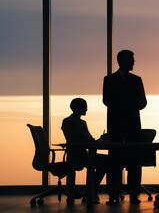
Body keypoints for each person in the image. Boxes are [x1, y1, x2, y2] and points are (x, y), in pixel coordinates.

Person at [102, 49, 147, 205]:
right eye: (131, 59)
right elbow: (106, 100)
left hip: (133, 125)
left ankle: (134, 193)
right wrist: (130, 104)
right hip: (117, 125)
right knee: (114, 160)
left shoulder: (137, 80)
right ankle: (113, 193)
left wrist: (131, 104)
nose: (134, 62)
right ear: (123, 61)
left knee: (134, 160)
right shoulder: (109, 80)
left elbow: (143, 102)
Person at [61, 98, 110, 205]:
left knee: (108, 161)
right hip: (75, 156)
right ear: (78, 108)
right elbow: (73, 140)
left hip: (84, 154)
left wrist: (101, 140)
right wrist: (90, 142)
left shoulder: (83, 123)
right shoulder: (67, 122)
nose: (87, 109)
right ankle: (91, 191)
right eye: (84, 107)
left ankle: (91, 190)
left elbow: (90, 140)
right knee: (105, 162)